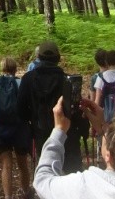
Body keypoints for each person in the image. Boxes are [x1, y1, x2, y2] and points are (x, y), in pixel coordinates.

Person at [17, 40, 83, 171]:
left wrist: (32, 124)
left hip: (40, 133)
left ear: (39, 57)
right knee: (70, 174)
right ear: (58, 58)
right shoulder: (68, 80)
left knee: (46, 170)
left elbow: (20, 110)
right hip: (67, 134)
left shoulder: (28, 79)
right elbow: (76, 109)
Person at [0, 57, 32, 199]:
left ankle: (7, 196)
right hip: (19, 128)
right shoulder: (20, 82)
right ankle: (25, 192)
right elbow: (26, 106)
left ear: (2, 68)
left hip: (0, 128)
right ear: (15, 69)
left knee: (6, 164)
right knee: (22, 163)